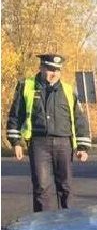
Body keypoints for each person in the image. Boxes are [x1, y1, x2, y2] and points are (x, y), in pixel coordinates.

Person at [6, 53, 92, 212]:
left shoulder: (67, 90)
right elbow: (15, 116)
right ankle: (43, 226)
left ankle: (69, 223)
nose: (54, 73)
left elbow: (79, 119)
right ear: (41, 68)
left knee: (65, 186)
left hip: (64, 143)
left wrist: (82, 147)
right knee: (41, 187)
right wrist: (16, 142)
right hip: (39, 144)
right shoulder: (27, 86)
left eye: (57, 70)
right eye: (50, 69)